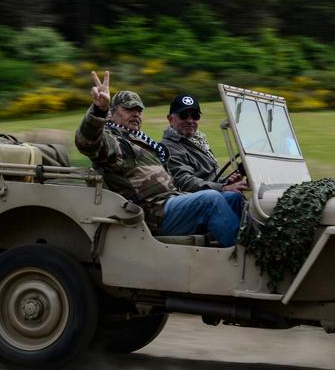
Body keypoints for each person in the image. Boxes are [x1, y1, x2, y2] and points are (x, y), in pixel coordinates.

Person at [74, 71, 242, 247]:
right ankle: (243, 260)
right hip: (152, 212)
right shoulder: (114, 140)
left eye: (139, 110)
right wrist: (99, 110)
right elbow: (87, 142)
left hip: (171, 200)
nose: (136, 114)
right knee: (211, 199)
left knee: (233, 198)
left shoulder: (143, 143)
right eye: (129, 109)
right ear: (112, 113)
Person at [160, 93, 247, 218]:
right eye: (184, 116)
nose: (190, 121)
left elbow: (209, 175)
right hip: (191, 202)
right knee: (232, 196)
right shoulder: (169, 147)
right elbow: (185, 181)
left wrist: (227, 181)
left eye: (195, 116)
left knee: (238, 196)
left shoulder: (199, 141)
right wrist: (222, 187)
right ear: (170, 119)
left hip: (210, 194)